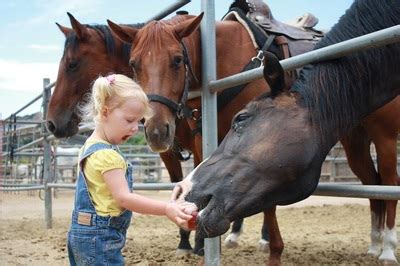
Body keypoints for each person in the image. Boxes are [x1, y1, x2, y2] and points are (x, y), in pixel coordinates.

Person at [67, 73, 197, 265]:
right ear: (104, 112)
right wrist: (167, 208)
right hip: (100, 239)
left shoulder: (89, 147)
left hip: (83, 233)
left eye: (139, 121)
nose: (136, 128)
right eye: (129, 120)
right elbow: (124, 198)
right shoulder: (107, 155)